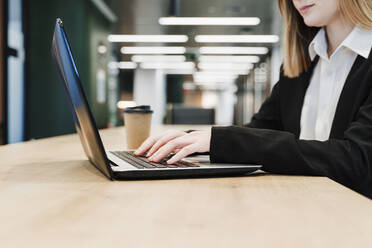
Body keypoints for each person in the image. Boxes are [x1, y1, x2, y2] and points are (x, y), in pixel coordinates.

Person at [135, 0, 372, 198]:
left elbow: (358, 161)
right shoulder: (300, 63)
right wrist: (191, 144)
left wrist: (223, 141)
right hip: (304, 202)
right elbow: (260, 130)